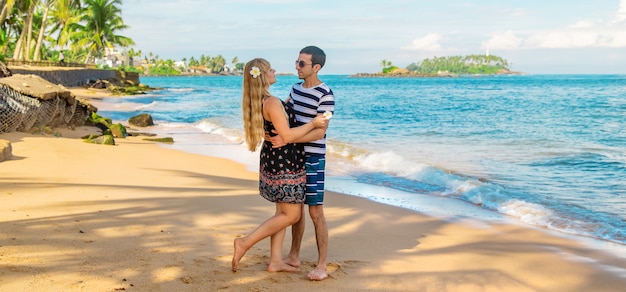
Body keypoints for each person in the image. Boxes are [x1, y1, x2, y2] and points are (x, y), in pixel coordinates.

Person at [232, 58, 328, 273]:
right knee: (291, 215)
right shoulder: (272, 102)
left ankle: (275, 261)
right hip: (285, 162)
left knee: (281, 213)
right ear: (263, 76)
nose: (275, 71)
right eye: (271, 69)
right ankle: (245, 242)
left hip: (273, 158)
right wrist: (313, 123)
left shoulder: (263, 100)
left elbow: (282, 121)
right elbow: (286, 135)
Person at [266, 46, 335, 280]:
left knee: (315, 211)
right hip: (292, 157)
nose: (297, 67)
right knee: (295, 209)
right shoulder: (295, 89)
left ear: (316, 67)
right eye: (296, 62)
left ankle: (322, 265)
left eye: (302, 64)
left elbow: (319, 132)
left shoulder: (326, 95)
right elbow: (283, 114)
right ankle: (294, 256)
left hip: (314, 158)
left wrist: (288, 138)